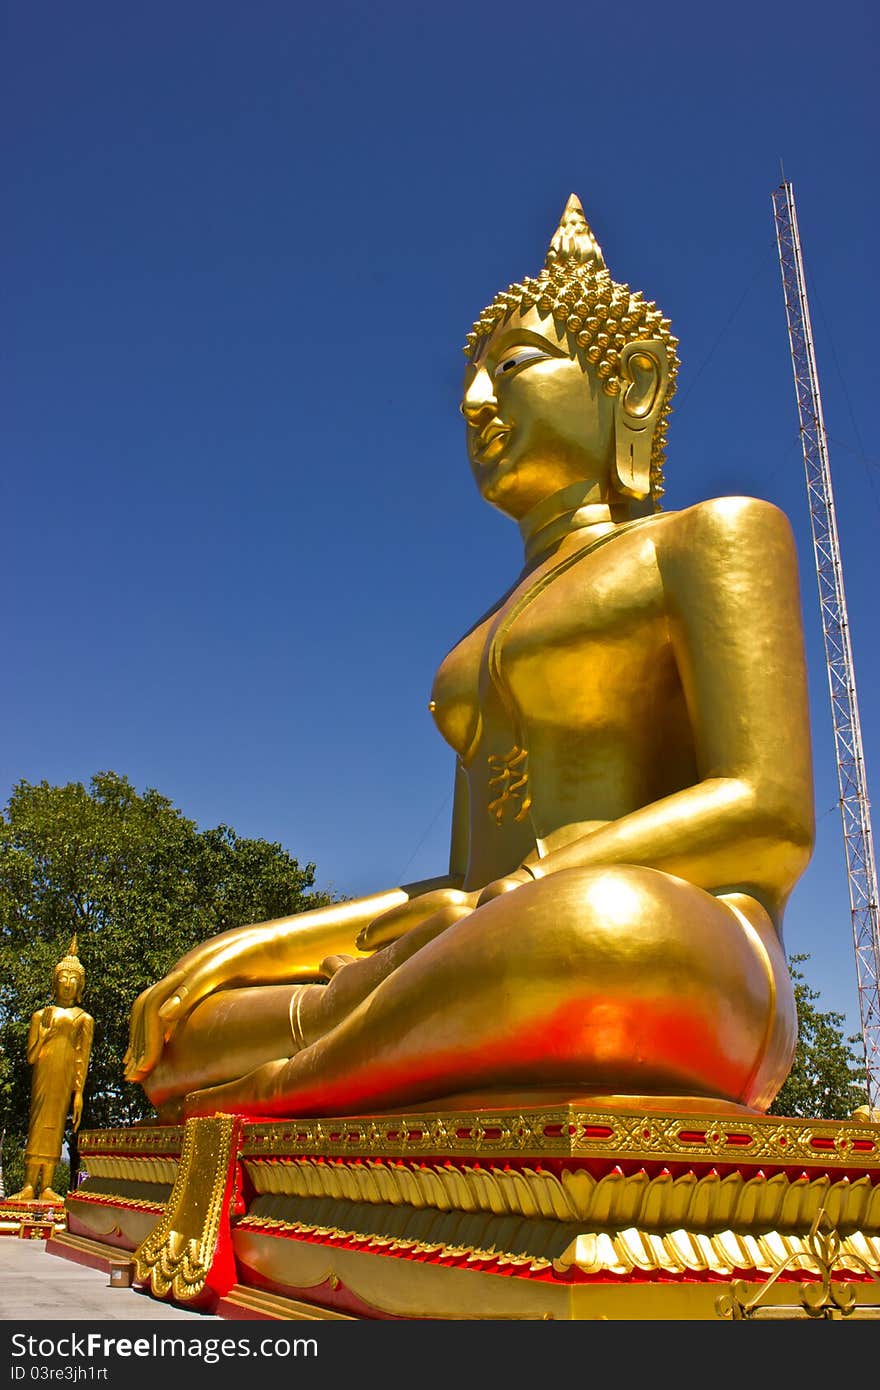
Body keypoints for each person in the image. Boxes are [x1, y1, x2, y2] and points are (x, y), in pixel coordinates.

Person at [124, 196, 814, 1122]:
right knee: (192, 1016)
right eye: (470, 386)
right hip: (479, 954)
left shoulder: (704, 539)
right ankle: (362, 1049)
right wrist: (261, 944)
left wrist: (517, 893)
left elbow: (768, 808)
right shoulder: (477, 641)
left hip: (672, 946)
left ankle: (276, 1093)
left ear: (633, 385)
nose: (476, 404)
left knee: (601, 928)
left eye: (514, 367)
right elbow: (452, 892)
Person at [10, 938, 94, 1202]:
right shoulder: (40, 1015)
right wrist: (44, 1036)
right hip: (43, 1076)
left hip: (65, 1077)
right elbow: (32, 1057)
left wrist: (78, 1092)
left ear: (80, 985)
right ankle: (28, 1184)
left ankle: (46, 1185)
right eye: (63, 977)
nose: (68, 983)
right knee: (38, 1122)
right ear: (54, 981)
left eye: (73, 979)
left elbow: (82, 1058)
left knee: (56, 1125)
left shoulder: (84, 1019)